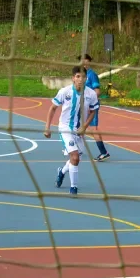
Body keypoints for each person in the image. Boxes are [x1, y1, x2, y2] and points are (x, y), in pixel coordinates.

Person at [44, 66, 100, 197]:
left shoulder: (91, 94)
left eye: (83, 77)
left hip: (80, 130)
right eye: (78, 76)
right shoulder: (65, 92)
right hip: (65, 128)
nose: (80, 79)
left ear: (86, 78)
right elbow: (52, 108)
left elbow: (93, 111)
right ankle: (73, 188)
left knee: (76, 159)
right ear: (73, 78)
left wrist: (85, 127)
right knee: (74, 157)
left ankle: (62, 172)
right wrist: (47, 127)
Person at [80, 54, 111, 161]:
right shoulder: (81, 75)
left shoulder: (92, 75)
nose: (84, 62)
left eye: (86, 60)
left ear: (89, 62)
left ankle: (104, 152)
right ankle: (76, 147)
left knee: (94, 128)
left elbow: (97, 91)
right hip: (83, 105)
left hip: (91, 105)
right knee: (79, 125)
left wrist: (90, 104)